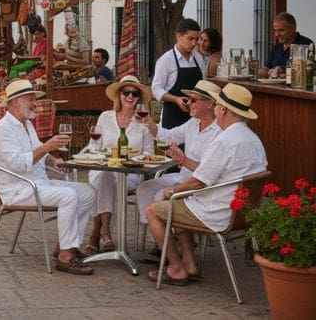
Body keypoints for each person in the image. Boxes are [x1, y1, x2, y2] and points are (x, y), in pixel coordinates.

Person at [145, 83, 267, 285]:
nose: (216, 108)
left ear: (223, 109)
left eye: (218, 104)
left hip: (217, 213)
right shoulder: (253, 139)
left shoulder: (225, 140)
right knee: (180, 201)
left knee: (153, 210)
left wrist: (172, 191)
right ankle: (190, 265)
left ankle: (176, 268)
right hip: (242, 213)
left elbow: (198, 181)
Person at [0, 80, 97, 275]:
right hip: (18, 189)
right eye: (31, 100)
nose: (36, 104)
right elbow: (19, 164)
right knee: (69, 195)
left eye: (34, 100)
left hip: (39, 183)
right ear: (15, 102)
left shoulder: (26, 124)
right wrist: (47, 146)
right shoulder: (3, 129)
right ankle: (65, 257)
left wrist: (53, 160)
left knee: (89, 191)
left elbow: (38, 152)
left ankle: (66, 245)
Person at [134, 80, 222, 229]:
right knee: (143, 188)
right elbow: (167, 136)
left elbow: (206, 174)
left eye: (193, 100)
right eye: (188, 99)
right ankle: (159, 235)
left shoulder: (220, 132)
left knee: (159, 196)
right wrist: (148, 120)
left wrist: (182, 159)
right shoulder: (193, 123)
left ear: (209, 104)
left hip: (200, 184)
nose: (189, 103)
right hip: (182, 177)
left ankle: (167, 241)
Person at [85, 75, 154, 253]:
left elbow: (149, 154)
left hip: (130, 172)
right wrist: (97, 154)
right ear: (119, 95)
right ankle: (106, 233)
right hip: (102, 167)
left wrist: (133, 160)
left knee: (105, 180)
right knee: (105, 176)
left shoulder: (143, 122)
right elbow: (94, 145)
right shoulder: (105, 117)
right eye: (126, 92)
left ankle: (96, 232)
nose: (130, 96)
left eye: (135, 93)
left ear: (139, 98)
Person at [151, 18, 203, 129]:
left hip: (195, 118)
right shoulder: (165, 60)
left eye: (196, 39)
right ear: (179, 36)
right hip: (173, 117)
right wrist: (176, 99)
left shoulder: (198, 58)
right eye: (190, 39)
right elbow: (156, 89)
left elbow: (203, 85)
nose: (194, 43)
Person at [258, 12, 313, 78]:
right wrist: (263, 71)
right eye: (275, 30)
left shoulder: (306, 44)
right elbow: (268, 67)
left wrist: (283, 71)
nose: (277, 35)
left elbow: (309, 72)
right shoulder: (278, 45)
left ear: (293, 28)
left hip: (295, 87)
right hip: (274, 86)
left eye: (281, 30)